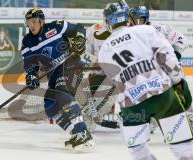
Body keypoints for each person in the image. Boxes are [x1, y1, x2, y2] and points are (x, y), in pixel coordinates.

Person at [98, 2, 193, 159]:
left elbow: (114, 82)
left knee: (139, 153)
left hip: (132, 105)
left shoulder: (103, 50)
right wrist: (179, 83)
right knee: (183, 146)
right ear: (128, 17)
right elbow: (167, 58)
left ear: (108, 22)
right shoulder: (147, 31)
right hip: (163, 95)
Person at [21, 8, 95, 151]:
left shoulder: (56, 26)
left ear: (42, 21)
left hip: (71, 64)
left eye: (34, 21)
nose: (31, 25)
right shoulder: (27, 41)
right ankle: (75, 134)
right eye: (29, 22)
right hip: (54, 73)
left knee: (62, 91)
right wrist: (31, 75)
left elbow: (78, 28)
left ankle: (82, 132)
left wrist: (79, 39)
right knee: (50, 106)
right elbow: (29, 62)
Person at [130, 5, 193, 127]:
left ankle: (190, 117)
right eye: (135, 18)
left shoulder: (160, 28)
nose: (137, 21)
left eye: (140, 18)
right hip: (149, 72)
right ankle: (152, 122)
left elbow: (182, 40)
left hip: (170, 68)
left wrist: (174, 56)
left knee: (183, 97)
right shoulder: (130, 33)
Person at [83, 3, 122, 132]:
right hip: (97, 74)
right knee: (90, 109)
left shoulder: (127, 32)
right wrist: (95, 62)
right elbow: (85, 54)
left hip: (119, 77)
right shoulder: (94, 31)